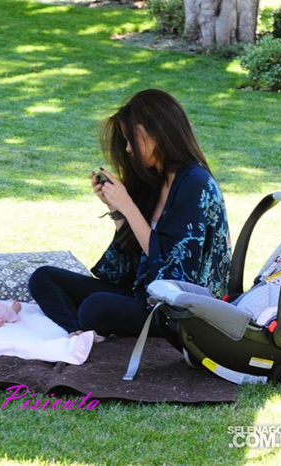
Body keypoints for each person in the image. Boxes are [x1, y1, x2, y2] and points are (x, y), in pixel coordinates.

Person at [29, 89, 232, 338]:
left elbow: (175, 272)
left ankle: (85, 326)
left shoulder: (194, 184)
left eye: (131, 139)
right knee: (44, 278)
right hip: (146, 294)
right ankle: (79, 333)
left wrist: (127, 205)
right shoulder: (156, 179)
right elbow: (129, 268)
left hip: (181, 311)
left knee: (96, 307)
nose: (127, 149)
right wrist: (116, 212)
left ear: (158, 132)